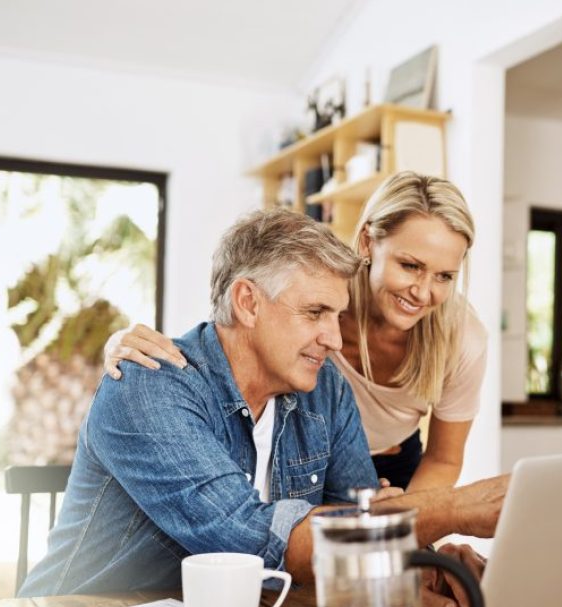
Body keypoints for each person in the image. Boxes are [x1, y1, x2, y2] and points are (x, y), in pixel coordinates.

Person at [20, 209, 504, 607]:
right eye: (315, 313)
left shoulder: (325, 390)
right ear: (248, 302)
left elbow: (361, 512)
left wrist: (425, 562)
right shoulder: (149, 387)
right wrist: (454, 509)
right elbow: (253, 540)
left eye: (337, 315)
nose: (335, 339)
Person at [106, 171, 486, 491]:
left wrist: (412, 522)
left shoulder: (462, 339)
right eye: (410, 266)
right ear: (369, 241)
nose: (423, 291)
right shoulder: (323, 286)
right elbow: (233, 330)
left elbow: (444, 458)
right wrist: (124, 347)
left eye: (445, 276)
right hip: (302, 448)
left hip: (394, 465)